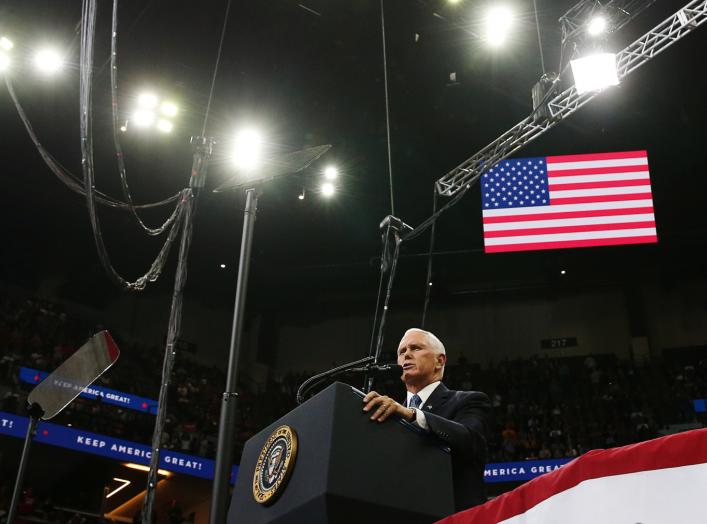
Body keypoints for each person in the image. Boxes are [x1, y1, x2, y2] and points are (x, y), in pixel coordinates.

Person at [362, 328, 491, 511]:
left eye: (415, 348)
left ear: (439, 361)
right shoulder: (386, 414)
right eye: (401, 352)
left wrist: (412, 414)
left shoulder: (469, 401)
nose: (406, 354)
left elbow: (470, 439)